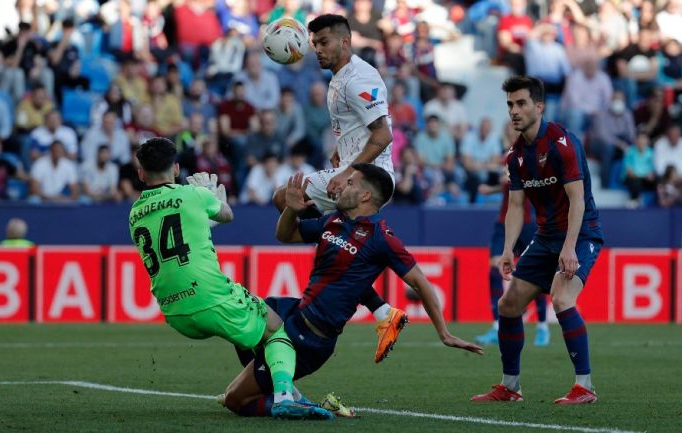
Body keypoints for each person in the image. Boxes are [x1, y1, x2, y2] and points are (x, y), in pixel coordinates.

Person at [221, 164, 483, 417]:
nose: (340, 187)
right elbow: (285, 235)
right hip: (296, 312)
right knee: (244, 318)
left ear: (365, 195)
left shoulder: (382, 237)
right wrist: (291, 210)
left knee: (234, 400)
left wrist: (444, 333)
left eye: (349, 183)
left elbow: (420, 282)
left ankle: (310, 408)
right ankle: (289, 394)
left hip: (311, 338)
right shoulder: (334, 219)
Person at [128, 137, 332, 420]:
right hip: (209, 297)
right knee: (276, 328)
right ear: (176, 169)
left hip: (174, 312)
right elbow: (227, 215)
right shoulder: (193, 195)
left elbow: (182, 231)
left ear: (141, 173)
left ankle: (289, 395)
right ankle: (285, 396)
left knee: (253, 337)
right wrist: (213, 196)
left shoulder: (135, 213)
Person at [272, 14, 405, 364]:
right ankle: (383, 312)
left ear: (345, 42)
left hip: (370, 180)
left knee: (283, 198)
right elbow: (360, 131)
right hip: (356, 171)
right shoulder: (340, 78)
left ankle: (381, 311)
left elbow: (383, 135)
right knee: (338, 245)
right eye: (314, 43)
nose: (316, 49)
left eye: (324, 42)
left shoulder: (357, 78)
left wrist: (346, 170)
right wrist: (342, 152)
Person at [471, 76, 603, 404]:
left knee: (561, 299)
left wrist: (570, 246)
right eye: (510, 105)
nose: (514, 111)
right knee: (508, 305)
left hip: (581, 234)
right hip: (545, 238)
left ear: (539, 106)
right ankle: (510, 387)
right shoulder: (515, 155)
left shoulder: (563, 143)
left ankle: (585, 387)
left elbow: (578, 201)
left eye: (521, 104)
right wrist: (506, 249)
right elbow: (516, 206)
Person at [474, 172, 549, 347]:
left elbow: (538, 182)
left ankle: (542, 327)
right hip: (504, 222)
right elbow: (507, 185)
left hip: (527, 223)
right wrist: (493, 190)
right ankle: (496, 327)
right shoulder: (508, 155)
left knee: (534, 274)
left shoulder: (534, 153)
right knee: (494, 270)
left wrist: (515, 178)